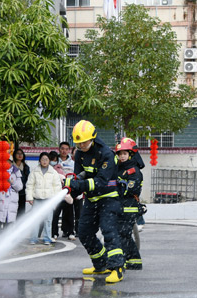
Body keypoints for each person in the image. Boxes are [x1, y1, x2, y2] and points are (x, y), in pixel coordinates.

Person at [64, 120, 125, 283]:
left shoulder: (106, 154)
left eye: (83, 142)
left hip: (109, 198)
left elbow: (100, 181)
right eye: (78, 143)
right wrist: (71, 186)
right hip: (92, 199)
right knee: (84, 232)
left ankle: (117, 268)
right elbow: (78, 176)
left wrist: (79, 184)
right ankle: (101, 264)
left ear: (92, 138)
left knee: (109, 230)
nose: (81, 145)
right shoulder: (80, 154)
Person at [115, 138, 143, 270]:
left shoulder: (133, 170)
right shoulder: (119, 168)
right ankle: (133, 260)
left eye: (124, 154)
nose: (122, 156)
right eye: (120, 154)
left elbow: (132, 189)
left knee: (124, 233)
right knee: (123, 233)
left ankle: (129, 259)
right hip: (121, 206)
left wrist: (120, 186)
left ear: (130, 154)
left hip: (130, 206)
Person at [26, 152, 63, 245]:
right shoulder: (34, 171)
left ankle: (47, 238)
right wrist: (30, 197)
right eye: (43, 159)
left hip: (49, 200)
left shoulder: (53, 172)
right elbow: (29, 185)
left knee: (48, 219)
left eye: (46, 159)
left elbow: (57, 187)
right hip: (37, 199)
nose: (45, 161)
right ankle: (33, 238)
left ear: (49, 161)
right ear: (39, 161)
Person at [0, 151, 23, 240]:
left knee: (9, 222)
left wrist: (11, 182)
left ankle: (7, 242)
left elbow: (20, 187)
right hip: (0, 200)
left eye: (9, 161)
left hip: (11, 202)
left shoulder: (16, 172)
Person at [51, 145, 76, 241]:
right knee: (55, 213)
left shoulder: (72, 163)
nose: (64, 151)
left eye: (66, 149)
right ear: (59, 149)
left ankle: (70, 232)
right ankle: (54, 234)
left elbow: (75, 176)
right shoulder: (54, 161)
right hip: (56, 193)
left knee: (70, 213)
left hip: (68, 192)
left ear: (69, 150)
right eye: (62, 149)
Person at [13, 148, 30, 218]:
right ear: (14, 155)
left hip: (22, 192)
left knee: (21, 211)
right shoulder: (11, 166)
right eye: (18, 153)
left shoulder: (26, 167)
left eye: (21, 154)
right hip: (13, 192)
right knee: (13, 210)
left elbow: (28, 180)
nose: (20, 155)